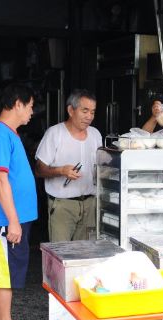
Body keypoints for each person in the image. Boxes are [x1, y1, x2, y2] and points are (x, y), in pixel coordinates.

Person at [0, 83, 39, 320]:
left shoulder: (8, 133)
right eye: (30, 106)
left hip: (14, 218)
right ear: (17, 103)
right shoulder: (0, 134)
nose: (31, 112)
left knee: (7, 270)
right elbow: (0, 180)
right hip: (6, 220)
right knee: (5, 271)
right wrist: (13, 221)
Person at [34, 89, 102, 242]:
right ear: (71, 110)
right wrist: (61, 170)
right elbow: (38, 170)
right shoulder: (55, 133)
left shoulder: (96, 134)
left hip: (90, 205)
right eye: (85, 111)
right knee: (60, 255)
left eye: (92, 112)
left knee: (85, 256)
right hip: (63, 206)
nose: (89, 117)